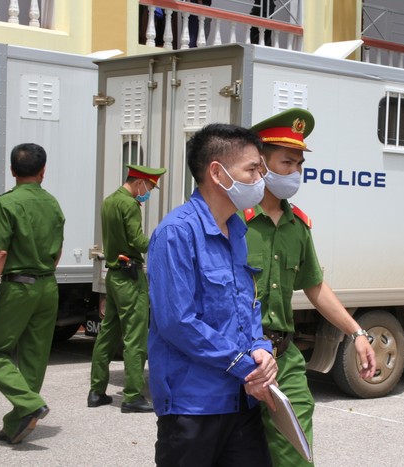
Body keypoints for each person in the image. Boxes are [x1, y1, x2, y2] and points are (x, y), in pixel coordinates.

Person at [244, 108, 377, 466]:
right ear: (261, 162)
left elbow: (315, 287)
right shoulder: (232, 222)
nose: (295, 173)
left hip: (284, 360)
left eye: (299, 164)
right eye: (286, 162)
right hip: (237, 359)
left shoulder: (297, 226)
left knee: (296, 457)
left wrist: (356, 332)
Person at [147, 124, 277, 466]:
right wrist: (243, 364)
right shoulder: (176, 233)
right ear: (217, 173)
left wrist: (261, 349)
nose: (260, 179)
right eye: (252, 169)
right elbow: (178, 322)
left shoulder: (237, 229)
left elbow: (246, 305)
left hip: (241, 401)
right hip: (194, 407)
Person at [0, 143, 65, 444]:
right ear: (43, 171)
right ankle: (17, 422)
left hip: (19, 286)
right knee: (34, 356)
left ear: (12, 170)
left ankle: (28, 404)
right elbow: (57, 253)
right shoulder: (53, 203)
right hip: (48, 285)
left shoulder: (7, 203)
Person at [87, 164, 166, 413]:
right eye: (150, 187)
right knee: (135, 337)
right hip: (130, 278)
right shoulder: (129, 204)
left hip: (113, 275)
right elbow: (136, 240)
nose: (149, 192)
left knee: (107, 334)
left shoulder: (109, 201)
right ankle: (132, 396)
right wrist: (161, 239)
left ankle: (96, 391)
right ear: (140, 181)